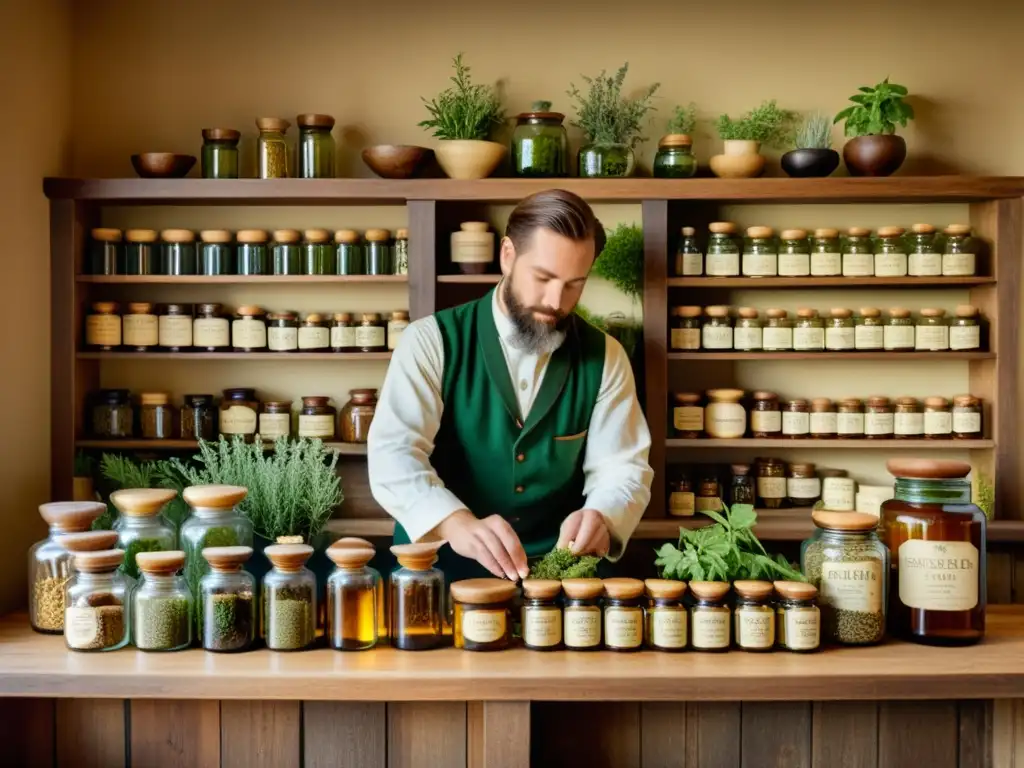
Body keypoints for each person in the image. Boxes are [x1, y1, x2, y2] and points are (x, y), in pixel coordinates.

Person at [367, 189, 653, 580]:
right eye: (543, 277)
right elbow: (393, 455)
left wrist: (602, 514)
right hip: (438, 569)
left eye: (574, 283)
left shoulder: (607, 356)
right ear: (507, 255)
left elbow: (623, 468)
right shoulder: (429, 341)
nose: (556, 300)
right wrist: (455, 523)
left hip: (561, 577)